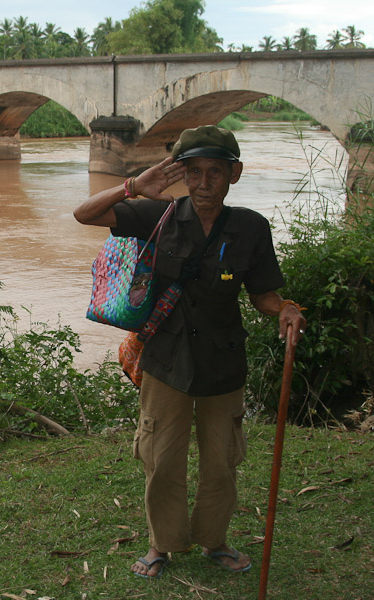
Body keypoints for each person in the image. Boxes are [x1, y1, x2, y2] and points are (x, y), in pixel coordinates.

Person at [74, 125, 307, 579]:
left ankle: (214, 541)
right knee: (160, 457)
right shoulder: (156, 215)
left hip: (223, 362)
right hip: (165, 360)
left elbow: (264, 295)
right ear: (181, 175)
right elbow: (84, 215)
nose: (204, 182)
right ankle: (163, 543)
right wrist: (132, 187)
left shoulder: (250, 228)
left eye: (214, 172)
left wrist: (287, 310)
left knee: (221, 459)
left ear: (233, 174)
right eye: (194, 171)